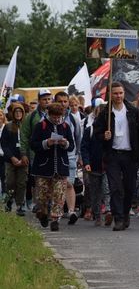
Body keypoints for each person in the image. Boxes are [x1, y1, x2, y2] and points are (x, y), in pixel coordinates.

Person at [93, 82, 139, 231]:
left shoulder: (132, 110)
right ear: (110, 95)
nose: (118, 96)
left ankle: (125, 214)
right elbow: (96, 133)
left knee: (129, 188)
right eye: (115, 93)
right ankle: (118, 217)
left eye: (120, 93)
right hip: (113, 155)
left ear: (124, 93)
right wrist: (103, 136)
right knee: (115, 187)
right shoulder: (105, 113)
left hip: (130, 154)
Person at [31, 102, 75, 231]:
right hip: (43, 167)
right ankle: (43, 213)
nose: (56, 119)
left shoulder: (65, 126)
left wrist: (65, 143)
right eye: (54, 117)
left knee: (59, 194)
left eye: (58, 117)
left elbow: (71, 146)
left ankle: (55, 219)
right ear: (49, 114)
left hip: (61, 166)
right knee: (42, 196)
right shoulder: (41, 126)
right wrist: (46, 143)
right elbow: (33, 144)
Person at [80, 104, 112, 226]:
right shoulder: (90, 130)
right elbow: (84, 148)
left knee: (107, 189)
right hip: (93, 166)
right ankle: (97, 215)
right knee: (95, 191)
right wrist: (86, 162)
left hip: (107, 166)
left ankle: (109, 210)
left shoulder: (110, 130)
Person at [55, 91, 82, 225]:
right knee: (57, 185)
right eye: (60, 101)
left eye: (65, 101)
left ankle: (71, 211)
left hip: (70, 156)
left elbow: (78, 138)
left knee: (68, 183)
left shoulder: (73, 119)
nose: (63, 104)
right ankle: (56, 210)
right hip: (53, 156)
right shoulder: (47, 119)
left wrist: (79, 156)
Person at [1, 103, 29, 215]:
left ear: (23, 113)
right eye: (16, 112)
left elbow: (29, 141)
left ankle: (19, 205)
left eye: (20, 112)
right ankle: (9, 200)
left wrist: (24, 157)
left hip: (24, 159)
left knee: (21, 183)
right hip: (10, 159)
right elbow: (4, 144)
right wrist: (12, 158)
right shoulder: (8, 127)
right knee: (10, 182)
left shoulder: (26, 126)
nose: (18, 114)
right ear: (12, 113)